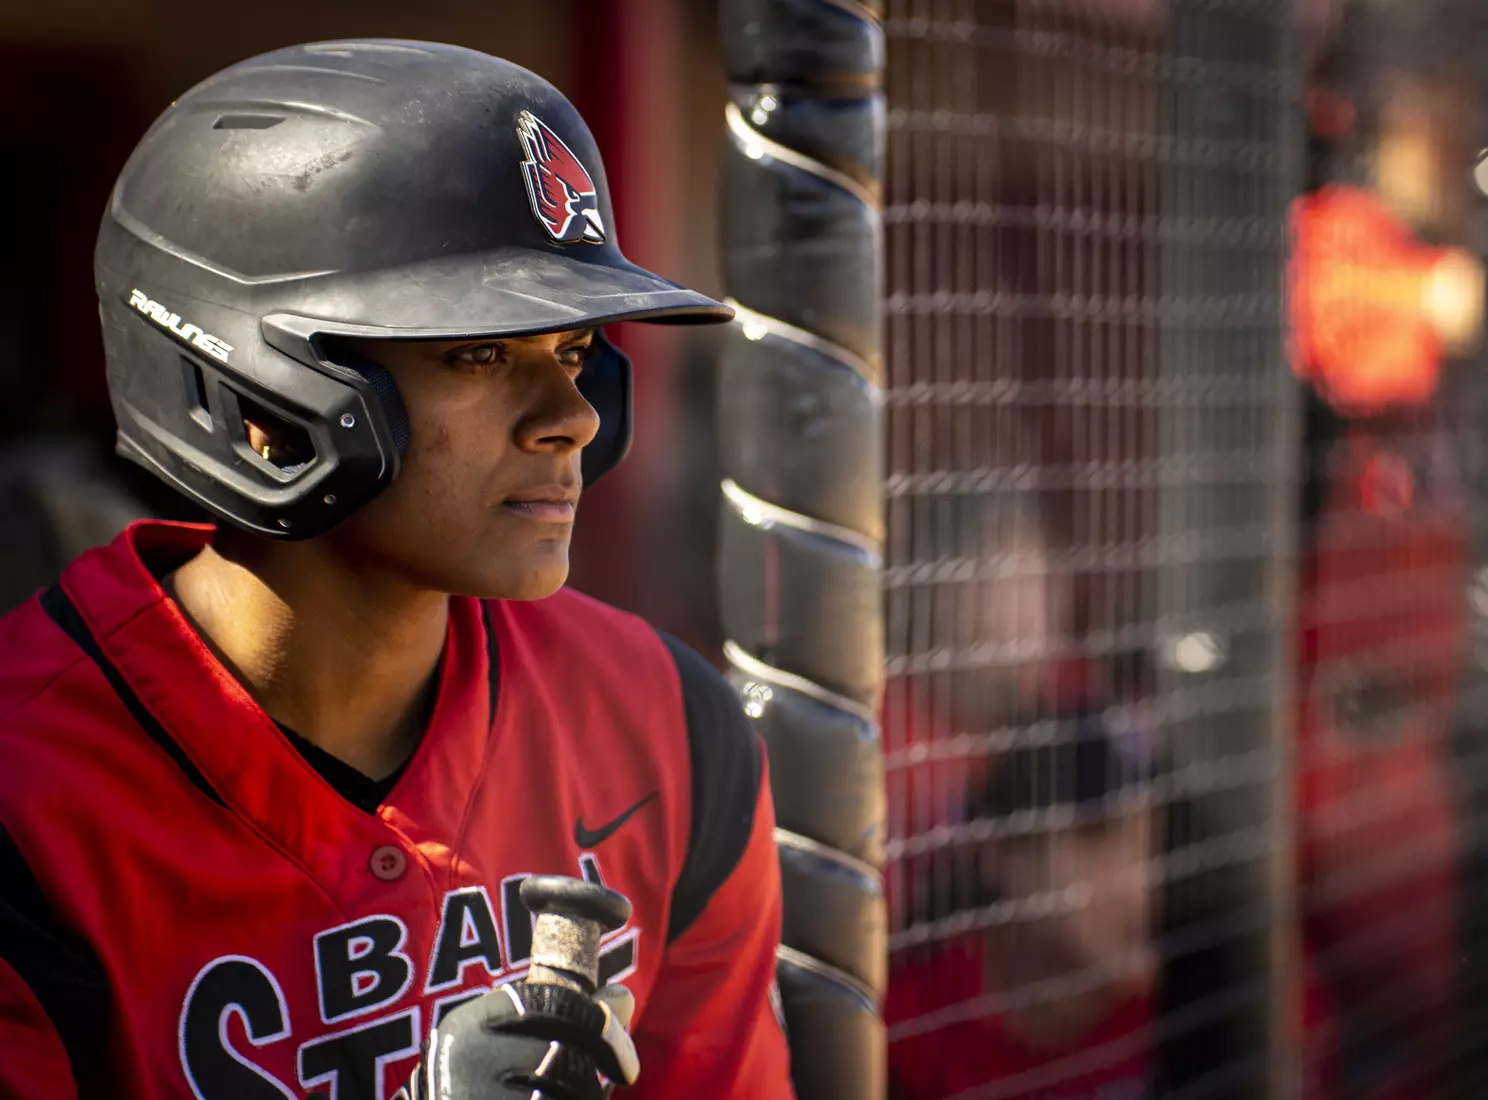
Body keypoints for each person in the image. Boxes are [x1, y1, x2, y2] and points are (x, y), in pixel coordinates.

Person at [0, 40, 792, 1100]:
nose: (573, 416)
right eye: (479, 352)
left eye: (572, 350)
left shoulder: (663, 725)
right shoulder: (28, 789)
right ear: (256, 393)